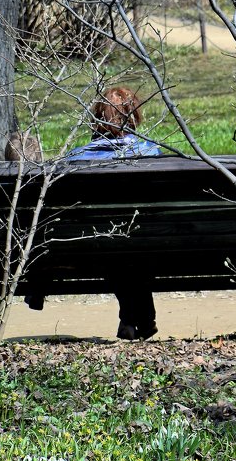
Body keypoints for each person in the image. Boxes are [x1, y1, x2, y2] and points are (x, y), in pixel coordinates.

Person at [66, 86, 163, 340]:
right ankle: (141, 318)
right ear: (135, 117)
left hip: (94, 246)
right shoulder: (151, 154)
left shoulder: (76, 160)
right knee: (133, 250)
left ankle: (131, 319)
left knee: (117, 250)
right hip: (150, 245)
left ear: (96, 118)